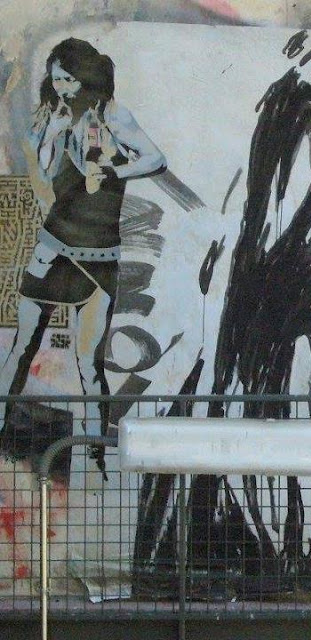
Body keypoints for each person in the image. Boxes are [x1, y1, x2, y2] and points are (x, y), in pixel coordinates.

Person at [0, 38, 166, 474]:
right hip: (54, 247)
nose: (62, 88)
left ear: (88, 76)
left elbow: (155, 158)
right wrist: (44, 143)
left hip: (99, 254)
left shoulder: (112, 116)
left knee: (89, 362)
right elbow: (44, 193)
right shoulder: (50, 119)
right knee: (21, 348)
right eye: (56, 80)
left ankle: (95, 457)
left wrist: (113, 170)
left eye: (69, 79)